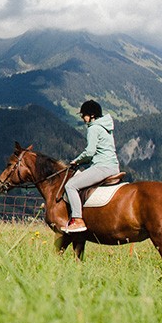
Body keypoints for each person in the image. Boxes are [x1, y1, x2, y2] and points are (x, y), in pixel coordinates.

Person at [62, 99, 119, 233]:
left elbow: (90, 152)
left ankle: (77, 219)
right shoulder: (106, 127)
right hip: (113, 166)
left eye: (84, 115)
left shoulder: (94, 128)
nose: (82, 118)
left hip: (102, 167)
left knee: (70, 186)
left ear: (91, 115)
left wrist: (76, 161)